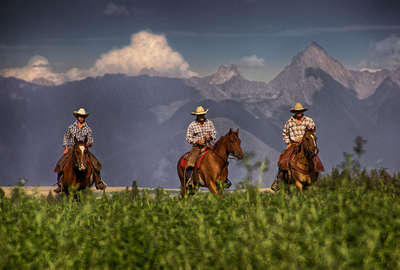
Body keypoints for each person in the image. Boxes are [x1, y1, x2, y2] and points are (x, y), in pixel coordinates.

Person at [54, 108, 106, 193]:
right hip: (73, 148)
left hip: (83, 148)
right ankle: (60, 183)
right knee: (61, 162)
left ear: (84, 117)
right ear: (77, 117)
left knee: (95, 162)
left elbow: (91, 140)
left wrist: (87, 145)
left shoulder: (88, 129)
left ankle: (98, 181)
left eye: (82, 116)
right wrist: (66, 148)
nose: (81, 118)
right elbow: (66, 137)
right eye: (79, 116)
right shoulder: (71, 127)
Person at [271, 103, 317, 191]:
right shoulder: (289, 122)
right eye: (297, 111)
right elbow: (284, 133)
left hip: (306, 144)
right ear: (294, 112)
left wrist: (306, 139)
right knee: (283, 159)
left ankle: (315, 177)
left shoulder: (309, 120)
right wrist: (288, 142)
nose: (298, 113)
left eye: (300, 111)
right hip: (293, 143)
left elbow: (312, 131)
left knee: (314, 158)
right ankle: (278, 179)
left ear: (302, 112)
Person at [185, 106, 217, 184]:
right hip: (197, 148)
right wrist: (197, 141)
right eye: (200, 115)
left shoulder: (209, 123)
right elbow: (188, 138)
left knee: (220, 157)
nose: (201, 117)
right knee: (191, 162)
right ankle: (190, 180)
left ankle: (223, 178)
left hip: (208, 145)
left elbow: (214, 134)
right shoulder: (192, 125)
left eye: (202, 115)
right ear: (197, 116)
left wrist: (210, 136)